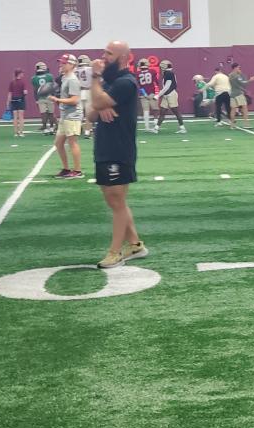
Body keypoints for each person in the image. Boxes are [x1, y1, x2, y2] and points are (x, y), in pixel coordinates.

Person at [86, 40, 148, 269]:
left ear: (123, 58)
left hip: (119, 149)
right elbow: (90, 114)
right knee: (114, 200)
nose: (103, 57)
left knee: (117, 200)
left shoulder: (125, 82)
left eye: (108, 53)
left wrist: (96, 85)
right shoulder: (110, 83)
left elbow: (97, 100)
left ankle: (115, 252)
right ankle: (135, 245)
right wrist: (100, 104)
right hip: (104, 147)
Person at [50, 54, 84, 179]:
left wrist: (58, 99)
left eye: (64, 63)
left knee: (72, 143)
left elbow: (75, 100)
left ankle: (78, 171)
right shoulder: (65, 78)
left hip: (72, 115)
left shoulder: (72, 80)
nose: (61, 64)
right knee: (58, 143)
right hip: (65, 115)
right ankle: (66, 169)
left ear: (71, 64)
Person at [155, 59, 187, 134]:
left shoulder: (169, 73)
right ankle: (156, 128)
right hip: (166, 94)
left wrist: (158, 95)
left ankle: (182, 128)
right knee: (162, 111)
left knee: (175, 111)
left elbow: (167, 87)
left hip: (171, 94)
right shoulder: (167, 73)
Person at [228, 62, 254, 129]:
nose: (239, 69)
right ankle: (246, 124)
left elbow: (236, 85)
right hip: (238, 94)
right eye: (238, 67)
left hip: (232, 94)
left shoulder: (230, 75)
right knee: (244, 108)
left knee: (233, 109)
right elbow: (243, 83)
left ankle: (232, 125)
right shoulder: (237, 75)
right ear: (235, 68)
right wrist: (250, 80)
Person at [136, 59, 160, 132]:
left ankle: (147, 127)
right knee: (155, 109)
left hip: (143, 94)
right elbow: (156, 82)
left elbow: (137, 85)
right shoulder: (152, 72)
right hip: (151, 93)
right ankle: (155, 124)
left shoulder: (137, 73)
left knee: (146, 110)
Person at [31, 62, 56, 134]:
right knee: (51, 113)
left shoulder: (34, 78)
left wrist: (36, 99)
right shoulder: (50, 76)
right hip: (50, 96)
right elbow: (53, 87)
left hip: (41, 97)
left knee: (43, 113)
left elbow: (35, 89)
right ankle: (51, 127)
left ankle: (45, 127)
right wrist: (53, 96)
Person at [75, 55, 95, 138]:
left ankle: (77, 130)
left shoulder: (75, 70)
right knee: (88, 113)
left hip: (79, 91)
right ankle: (87, 131)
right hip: (89, 91)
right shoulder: (91, 69)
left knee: (79, 112)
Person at [7, 69, 28, 138]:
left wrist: (8, 103)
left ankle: (16, 133)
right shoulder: (23, 82)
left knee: (15, 117)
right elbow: (25, 92)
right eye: (22, 73)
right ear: (19, 74)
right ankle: (21, 132)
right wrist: (24, 94)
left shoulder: (12, 82)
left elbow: (10, 93)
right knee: (21, 117)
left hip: (13, 101)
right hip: (20, 100)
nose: (23, 74)